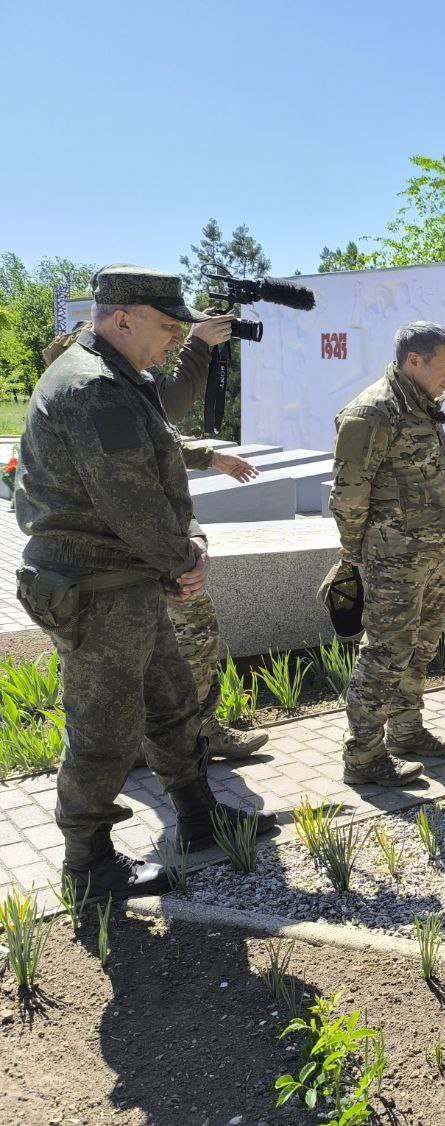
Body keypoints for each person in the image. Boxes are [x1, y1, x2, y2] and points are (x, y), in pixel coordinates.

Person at [13, 265, 276, 901]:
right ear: (122, 318)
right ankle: (90, 866)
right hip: (96, 584)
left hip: (122, 581)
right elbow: (129, 499)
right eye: (167, 327)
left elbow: (153, 457)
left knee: (171, 702)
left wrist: (175, 551)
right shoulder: (94, 386)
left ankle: (198, 817)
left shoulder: (114, 375)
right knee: (104, 730)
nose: (177, 341)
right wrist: (183, 556)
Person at [43, 316, 271, 765]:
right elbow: (162, 420)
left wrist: (208, 463)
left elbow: (159, 437)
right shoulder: (90, 390)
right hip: (125, 561)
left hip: (162, 550)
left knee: (197, 638)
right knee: (138, 663)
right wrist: (199, 344)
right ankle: (150, 752)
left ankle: (195, 736)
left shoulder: (114, 388)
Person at [330, 321, 445, 785]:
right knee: (385, 655)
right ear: (414, 361)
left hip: (433, 555)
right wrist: (355, 554)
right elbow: (348, 494)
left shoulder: (422, 405)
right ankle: (364, 757)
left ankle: (406, 730)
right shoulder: (371, 412)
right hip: (392, 559)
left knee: (421, 647)